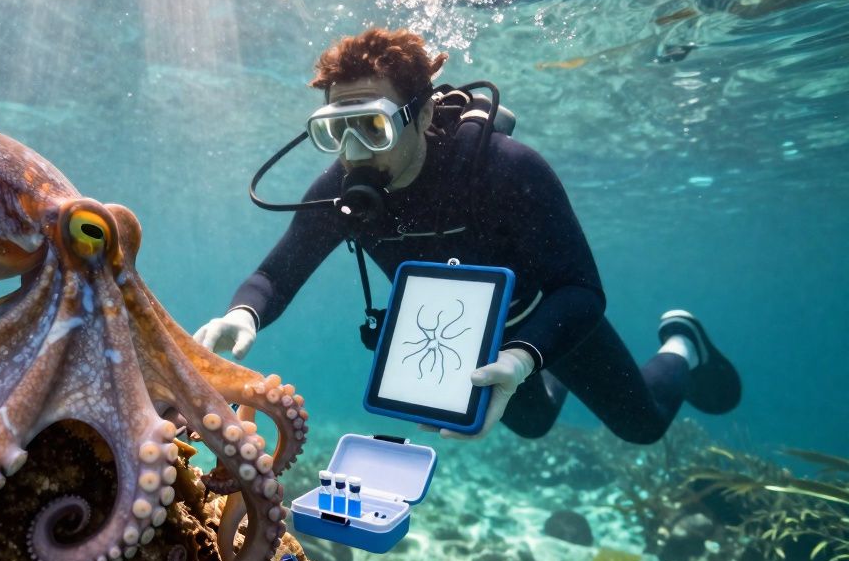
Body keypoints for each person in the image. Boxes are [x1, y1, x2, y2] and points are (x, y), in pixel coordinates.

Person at [194, 28, 740, 443]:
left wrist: (525, 356)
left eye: (373, 127)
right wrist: (243, 314)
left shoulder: (505, 168)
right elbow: (277, 272)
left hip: (548, 316)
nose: (354, 151)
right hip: (469, 333)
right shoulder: (341, 189)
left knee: (642, 425)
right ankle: (549, 371)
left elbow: (581, 290)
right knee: (532, 424)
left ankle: (682, 344)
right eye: (337, 130)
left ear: (422, 114)